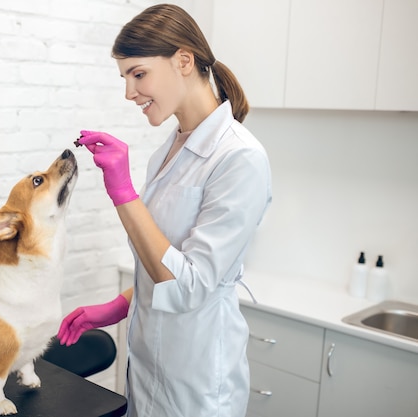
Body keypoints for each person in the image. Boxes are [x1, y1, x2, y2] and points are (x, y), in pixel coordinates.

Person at [58, 4, 272, 417]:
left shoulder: (240, 158)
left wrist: (122, 191)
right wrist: (119, 306)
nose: (128, 92)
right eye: (124, 78)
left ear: (184, 61)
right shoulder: (165, 153)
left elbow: (190, 284)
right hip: (147, 371)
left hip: (198, 384)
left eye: (138, 74)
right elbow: (162, 259)